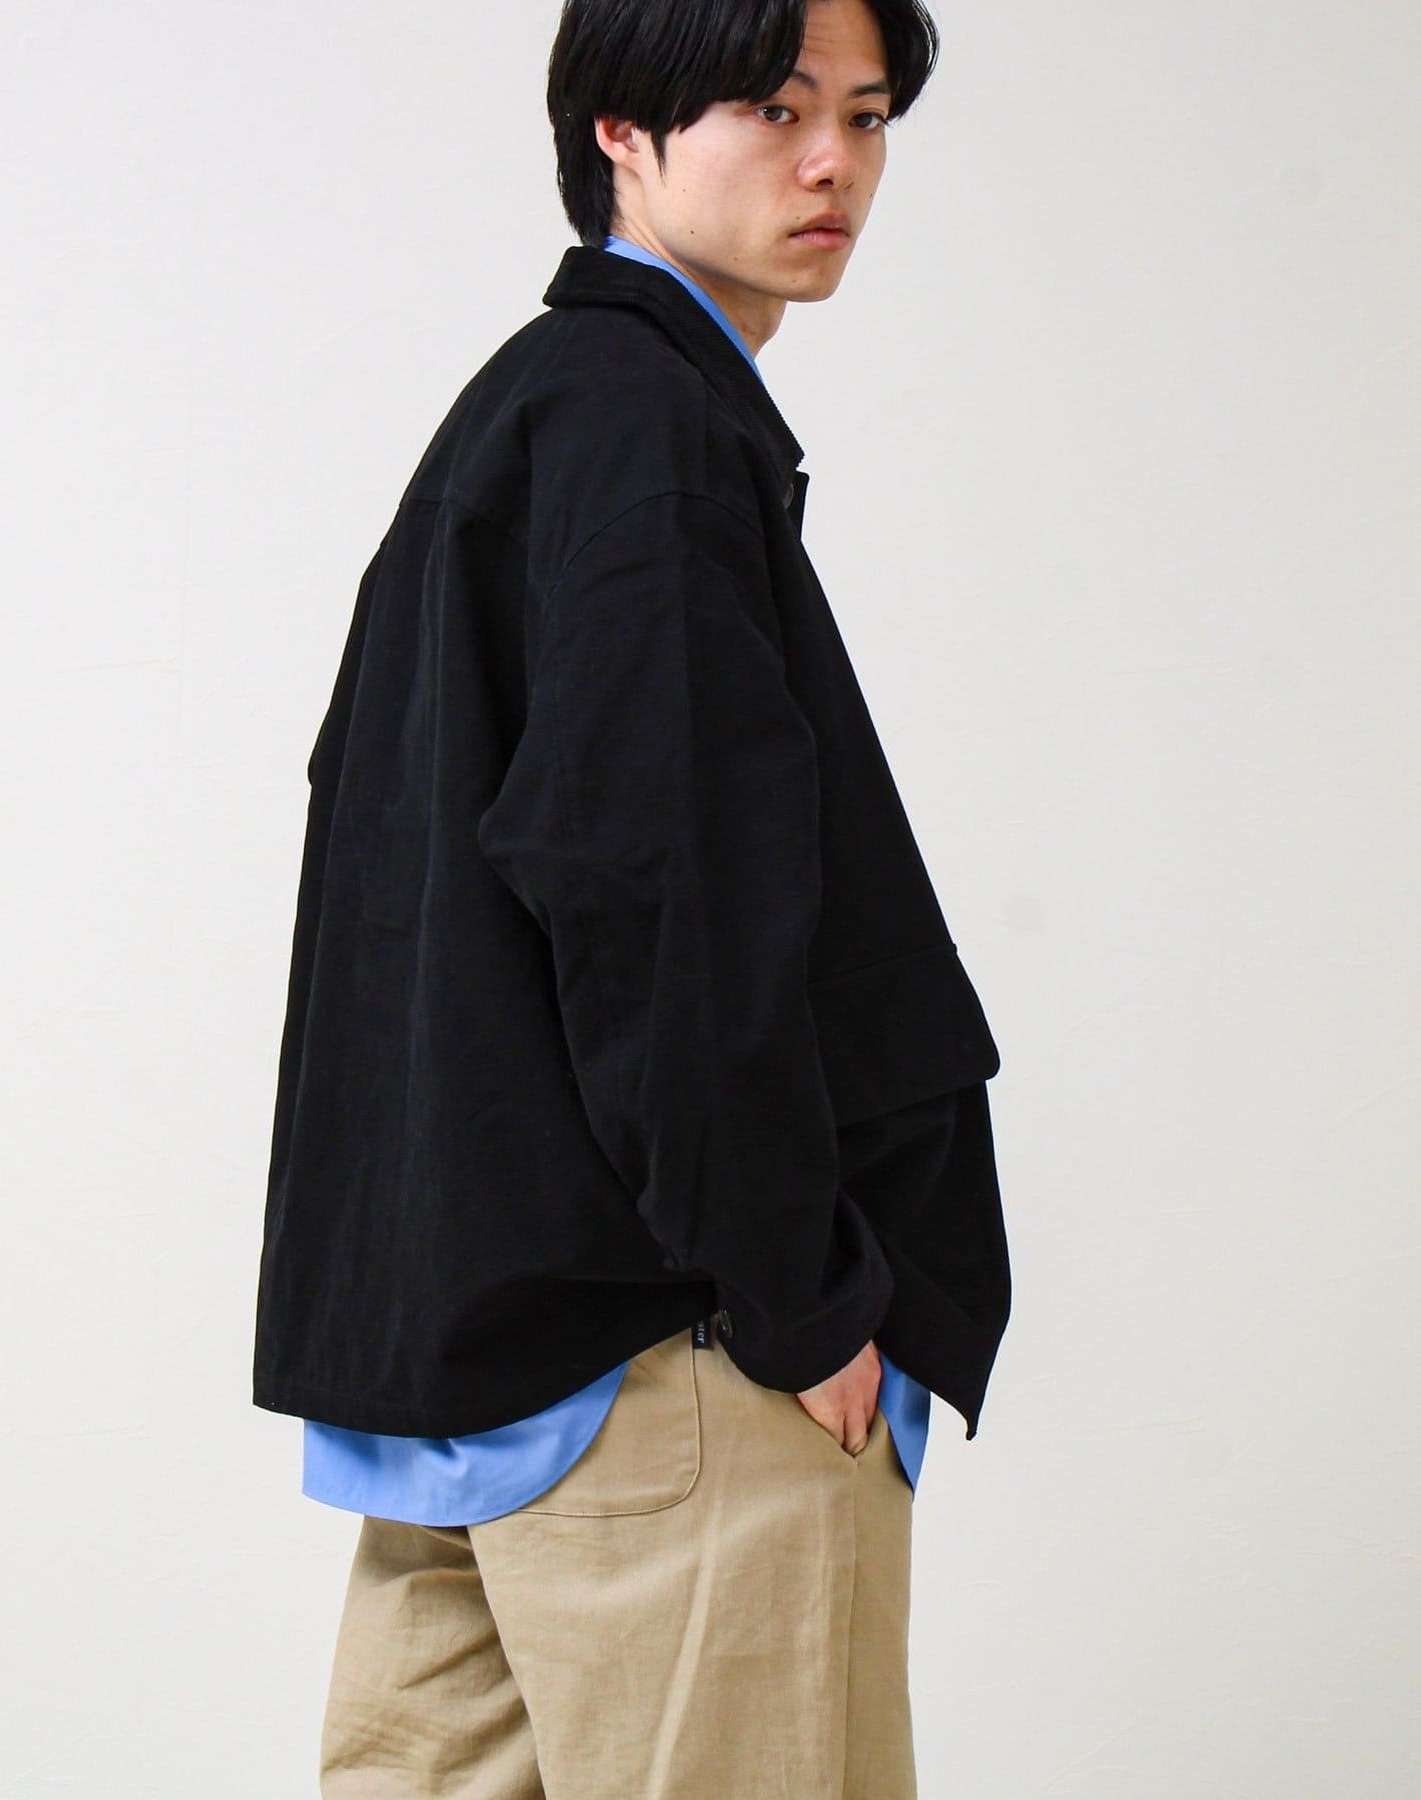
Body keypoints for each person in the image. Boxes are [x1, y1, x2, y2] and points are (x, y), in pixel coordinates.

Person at [252, 0, 1011, 1791]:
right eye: (775, 106)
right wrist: (803, 1296)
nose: (832, 163)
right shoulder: (644, 429)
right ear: (619, 126)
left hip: (480, 1377)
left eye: (867, 116)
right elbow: (656, 889)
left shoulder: (527, 416)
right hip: (672, 1370)